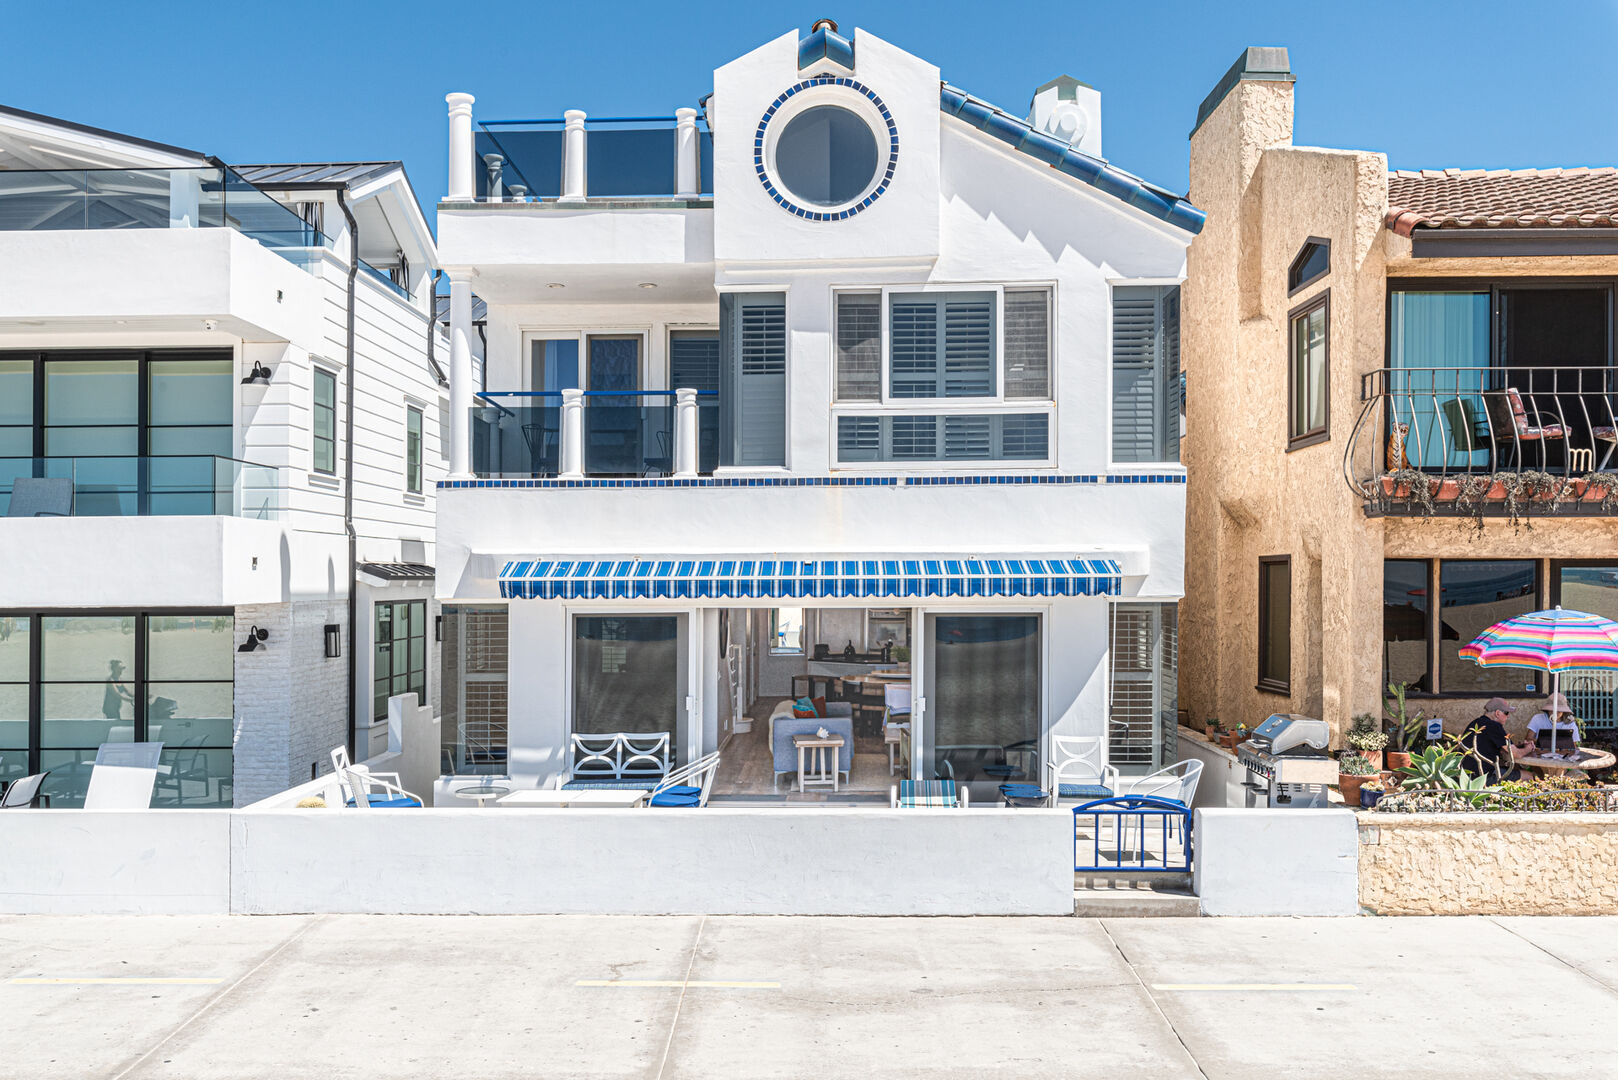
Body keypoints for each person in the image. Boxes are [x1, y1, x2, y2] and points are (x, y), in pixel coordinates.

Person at [1460, 697, 1527, 782]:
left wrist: (1518, 746)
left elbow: (1490, 746)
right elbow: (1516, 754)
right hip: (1483, 778)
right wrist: (1529, 748)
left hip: (1466, 777)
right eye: (1506, 713)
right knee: (1528, 775)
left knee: (1512, 770)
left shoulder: (1475, 723)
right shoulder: (1494, 726)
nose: (1508, 716)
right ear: (1497, 713)